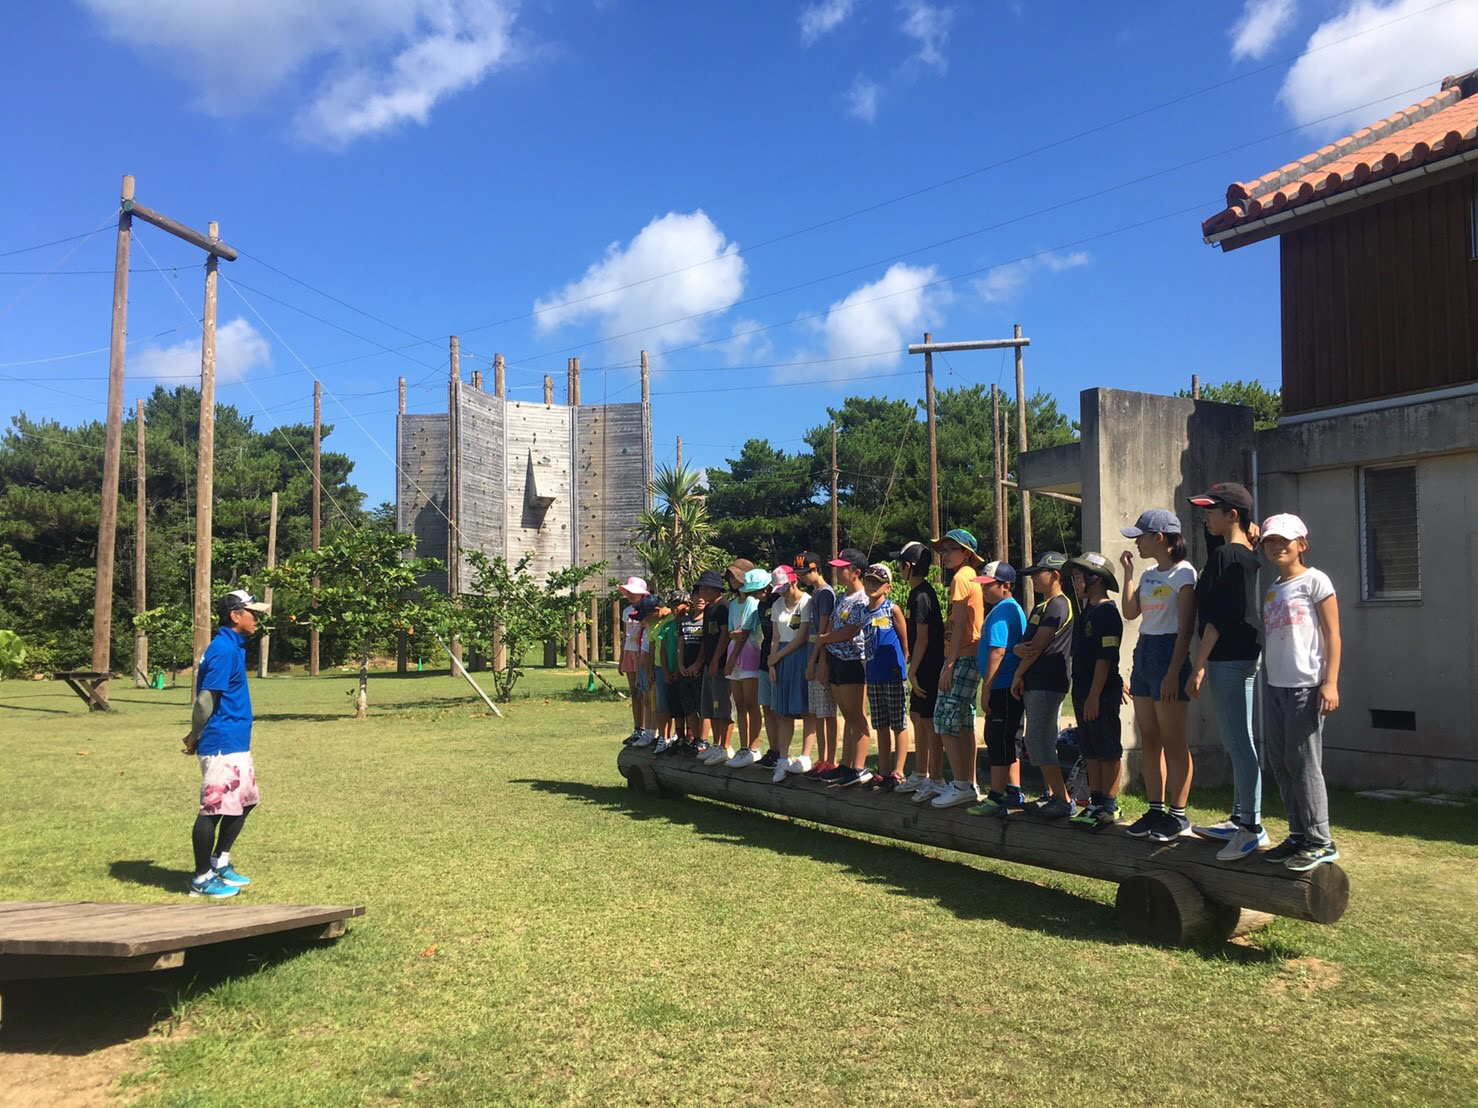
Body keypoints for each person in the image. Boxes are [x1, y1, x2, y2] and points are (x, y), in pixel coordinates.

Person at [1184, 483, 1268, 860]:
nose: (1205, 516)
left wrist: (1198, 666)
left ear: (1232, 515)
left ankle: (1249, 827)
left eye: (1211, 510)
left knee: (1238, 742)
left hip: (1227, 657)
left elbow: (1216, 619)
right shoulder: (1243, 553)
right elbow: (1218, 539)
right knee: (1241, 739)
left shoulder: (1225, 558)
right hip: (1245, 654)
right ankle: (1240, 818)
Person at [1258, 513, 1343, 871]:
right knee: (1280, 760)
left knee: (1304, 762)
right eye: (1270, 541)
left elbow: (1332, 633)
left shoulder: (1315, 581)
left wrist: (1330, 681)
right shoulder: (1274, 588)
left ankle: (1320, 839)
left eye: (1285, 541)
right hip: (1275, 684)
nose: (1278, 547)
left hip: (1305, 686)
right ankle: (1298, 833)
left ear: (1301, 545)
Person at [183, 589, 270, 898]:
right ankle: (201, 877)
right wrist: (194, 736)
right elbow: (205, 701)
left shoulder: (234, 646)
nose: (256, 618)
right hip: (221, 742)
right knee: (214, 809)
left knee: (245, 802)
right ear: (236, 616)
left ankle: (219, 861)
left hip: (235, 740)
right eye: (252, 613)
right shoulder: (222, 650)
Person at [1119, 509, 1198, 841]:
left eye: (1141, 536)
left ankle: (1177, 816)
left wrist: (1174, 672)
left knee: (1173, 741)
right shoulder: (1149, 574)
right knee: (1149, 738)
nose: (1137, 542)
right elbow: (1129, 611)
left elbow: (1186, 629)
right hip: (1145, 652)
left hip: (1169, 653)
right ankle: (1155, 810)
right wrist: (1128, 575)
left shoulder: (1184, 575)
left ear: (1159, 538)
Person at [1009, 552, 1076, 819]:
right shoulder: (1041, 606)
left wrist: (1017, 673)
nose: (1034, 578)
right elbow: (1024, 645)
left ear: (1055, 575)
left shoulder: (1059, 605)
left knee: (1038, 741)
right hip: (1035, 680)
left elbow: (1036, 646)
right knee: (1039, 740)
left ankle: (1063, 799)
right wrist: (1017, 652)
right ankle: (1052, 794)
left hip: (1048, 681)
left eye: (1039, 573)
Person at [1064, 552, 1127, 829]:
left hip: (1099, 693)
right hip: (1082, 691)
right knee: (1090, 748)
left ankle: (1108, 805)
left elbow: (1106, 658)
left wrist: (1094, 696)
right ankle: (1095, 800)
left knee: (1107, 749)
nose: (1075, 582)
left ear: (1095, 579)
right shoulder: (1088, 610)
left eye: (1078, 577)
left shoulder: (1106, 613)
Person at [930, 528, 987, 808]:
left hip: (962, 656)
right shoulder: (968, 577)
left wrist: (949, 664)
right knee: (964, 722)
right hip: (967, 655)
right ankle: (969, 782)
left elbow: (962, 623)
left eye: (951, 549)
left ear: (967, 553)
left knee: (943, 718)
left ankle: (962, 784)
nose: (944, 554)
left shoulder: (962, 577)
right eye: (943, 550)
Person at [966, 562, 1028, 815]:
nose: (984, 591)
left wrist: (986, 688)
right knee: (1007, 739)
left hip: (1002, 685)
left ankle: (996, 796)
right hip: (1005, 685)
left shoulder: (1004, 611)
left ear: (1006, 586)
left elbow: (998, 651)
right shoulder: (1006, 608)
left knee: (997, 739)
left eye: (989, 586)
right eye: (982, 586)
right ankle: (1013, 790)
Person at [815, 547, 873, 787]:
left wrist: (824, 639)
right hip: (837, 660)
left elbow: (852, 630)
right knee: (846, 716)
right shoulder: (841, 597)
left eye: (842, 568)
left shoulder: (863, 598)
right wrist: (825, 659)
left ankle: (858, 767)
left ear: (856, 572)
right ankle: (846, 765)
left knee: (856, 715)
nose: (837, 572)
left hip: (853, 662)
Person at [893, 542, 945, 796]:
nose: (897, 568)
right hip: (923, 664)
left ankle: (936, 778)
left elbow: (923, 637)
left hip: (929, 665)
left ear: (909, 567)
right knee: (917, 716)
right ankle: (921, 773)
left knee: (929, 721)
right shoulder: (916, 593)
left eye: (899, 564)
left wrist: (912, 669)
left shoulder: (922, 595)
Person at [861, 564, 911, 789]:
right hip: (873, 673)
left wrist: (903, 663)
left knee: (898, 722)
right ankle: (882, 769)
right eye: (868, 581)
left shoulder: (893, 609)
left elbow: (904, 639)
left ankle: (899, 770)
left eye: (877, 583)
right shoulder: (863, 611)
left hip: (892, 672)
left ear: (888, 587)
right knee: (880, 723)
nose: (871, 586)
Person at [765, 565, 814, 781]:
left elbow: (801, 636)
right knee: (783, 712)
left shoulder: (807, 601)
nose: (783, 592)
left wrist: (778, 656)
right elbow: (775, 637)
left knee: (805, 708)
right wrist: (772, 663)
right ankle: (783, 759)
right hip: (782, 657)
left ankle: (805, 756)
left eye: (785, 586)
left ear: (795, 581)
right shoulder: (776, 605)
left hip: (800, 655)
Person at [795, 551, 840, 777]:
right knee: (818, 713)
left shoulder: (825, 594)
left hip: (821, 657)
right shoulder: (814, 594)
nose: (801, 577)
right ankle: (822, 758)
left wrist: (816, 661)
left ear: (815, 569)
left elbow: (824, 630)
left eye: (804, 572)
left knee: (827, 713)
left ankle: (830, 759)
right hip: (813, 655)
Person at [723, 566, 769, 767]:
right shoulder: (734, 604)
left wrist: (731, 660)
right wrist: (735, 637)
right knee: (740, 704)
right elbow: (732, 632)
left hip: (749, 653)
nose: (732, 580)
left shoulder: (753, 601)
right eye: (730, 577)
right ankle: (743, 746)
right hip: (733, 652)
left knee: (751, 704)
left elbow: (743, 634)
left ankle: (754, 747)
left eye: (735, 576)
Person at [696, 570, 737, 764]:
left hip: (720, 666)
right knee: (710, 707)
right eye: (700, 587)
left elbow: (725, 635)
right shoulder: (708, 609)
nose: (702, 591)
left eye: (706, 587)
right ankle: (716, 744)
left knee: (723, 706)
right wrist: (701, 661)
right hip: (708, 665)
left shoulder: (723, 607)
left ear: (716, 588)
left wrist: (715, 660)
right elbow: (707, 638)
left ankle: (725, 746)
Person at [617, 576, 650, 744]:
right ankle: (638, 728)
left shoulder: (648, 610)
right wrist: (622, 657)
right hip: (629, 652)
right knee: (634, 693)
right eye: (628, 591)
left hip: (642, 652)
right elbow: (625, 635)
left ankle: (649, 730)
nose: (630, 595)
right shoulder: (626, 611)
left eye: (634, 592)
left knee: (645, 693)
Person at [674, 588, 707, 755]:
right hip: (685, 670)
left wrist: (698, 664)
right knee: (688, 707)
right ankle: (695, 740)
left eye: (703, 596)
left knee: (704, 707)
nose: (700, 599)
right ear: (692, 598)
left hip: (700, 670)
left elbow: (705, 645)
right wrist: (680, 665)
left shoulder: (708, 620)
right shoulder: (684, 621)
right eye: (697, 595)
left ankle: (704, 740)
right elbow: (681, 644)